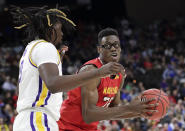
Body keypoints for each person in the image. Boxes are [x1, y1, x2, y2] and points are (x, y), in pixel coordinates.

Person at [11, 6, 127, 131]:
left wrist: (56, 63)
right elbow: (53, 84)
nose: (61, 34)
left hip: (27, 120)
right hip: (38, 119)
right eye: (60, 30)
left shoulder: (30, 48)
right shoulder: (46, 47)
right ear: (51, 31)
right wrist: (98, 72)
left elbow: (21, 90)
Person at [58, 28, 158, 131]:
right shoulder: (91, 70)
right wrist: (129, 108)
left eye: (116, 45)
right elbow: (88, 115)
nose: (113, 48)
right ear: (99, 49)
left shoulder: (120, 75)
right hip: (66, 126)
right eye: (107, 46)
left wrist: (138, 112)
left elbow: (111, 112)